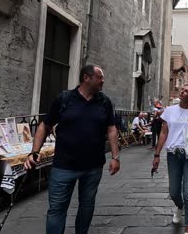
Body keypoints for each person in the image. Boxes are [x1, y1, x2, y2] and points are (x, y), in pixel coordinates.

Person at [24, 64, 120, 234]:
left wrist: (115, 157)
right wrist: (34, 151)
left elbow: (111, 129)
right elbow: (44, 126)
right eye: (100, 77)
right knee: (57, 209)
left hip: (93, 167)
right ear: (86, 78)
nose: (103, 81)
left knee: (87, 205)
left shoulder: (104, 102)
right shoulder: (65, 99)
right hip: (64, 166)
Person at [152, 83, 188, 234]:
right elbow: (163, 132)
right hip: (173, 155)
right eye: (182, 89)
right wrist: (157, 154)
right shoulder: (169, 110)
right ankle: (179, 206)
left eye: (186, 91)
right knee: (174, 192)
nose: (182, 91)